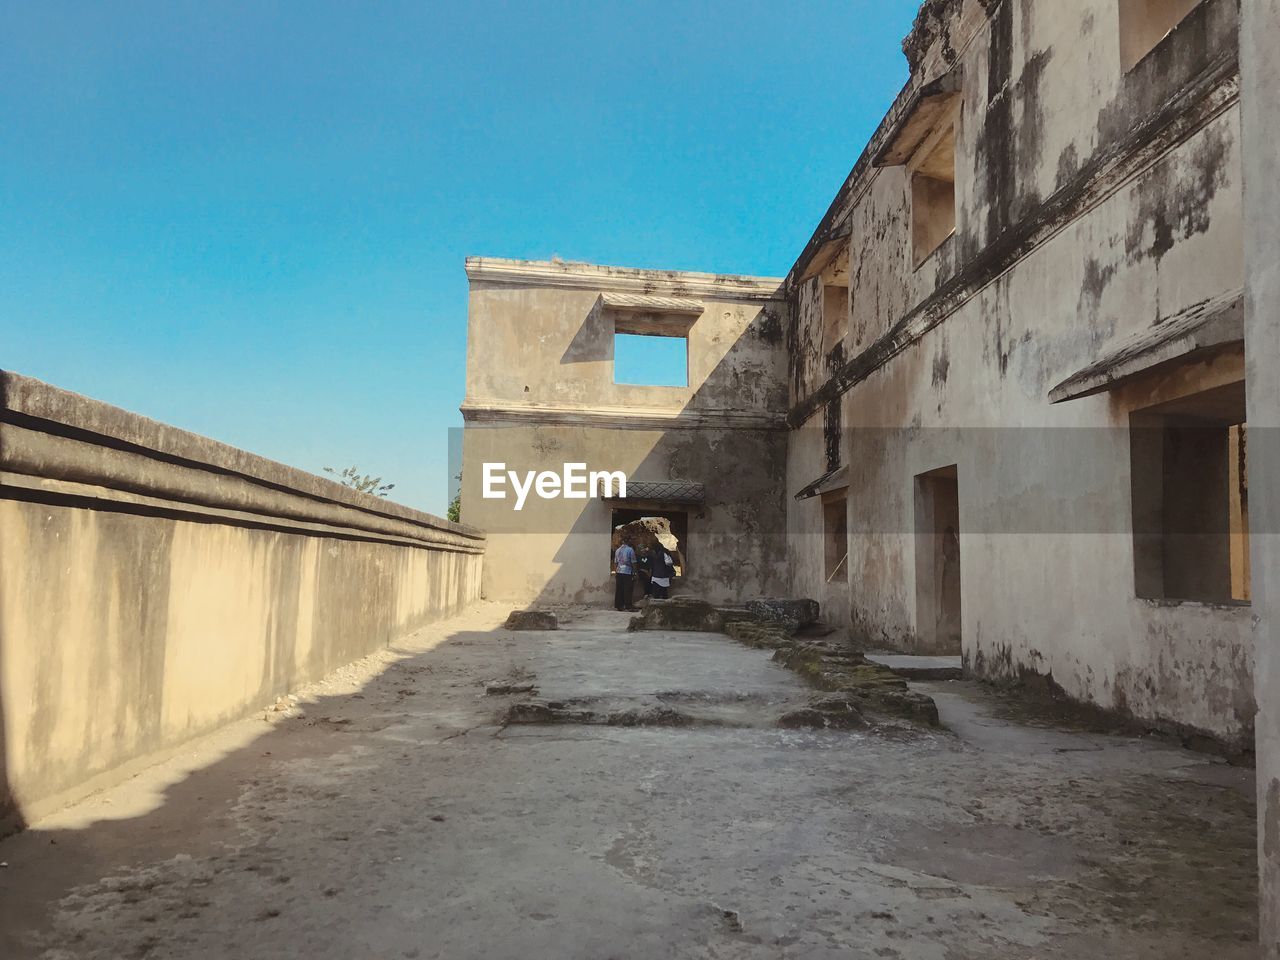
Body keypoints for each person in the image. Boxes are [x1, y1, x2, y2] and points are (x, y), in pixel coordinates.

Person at [613, 540, 638, 611]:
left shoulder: (617, 550)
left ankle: (619, 605)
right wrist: (635, 572)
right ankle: (628, 606)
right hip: (627, 572)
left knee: (619, 589)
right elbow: (633, 562)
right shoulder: (630, 550)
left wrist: (616, 571)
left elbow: (615, 562)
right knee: (628, 589)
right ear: (628, 542)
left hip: (619, 571)